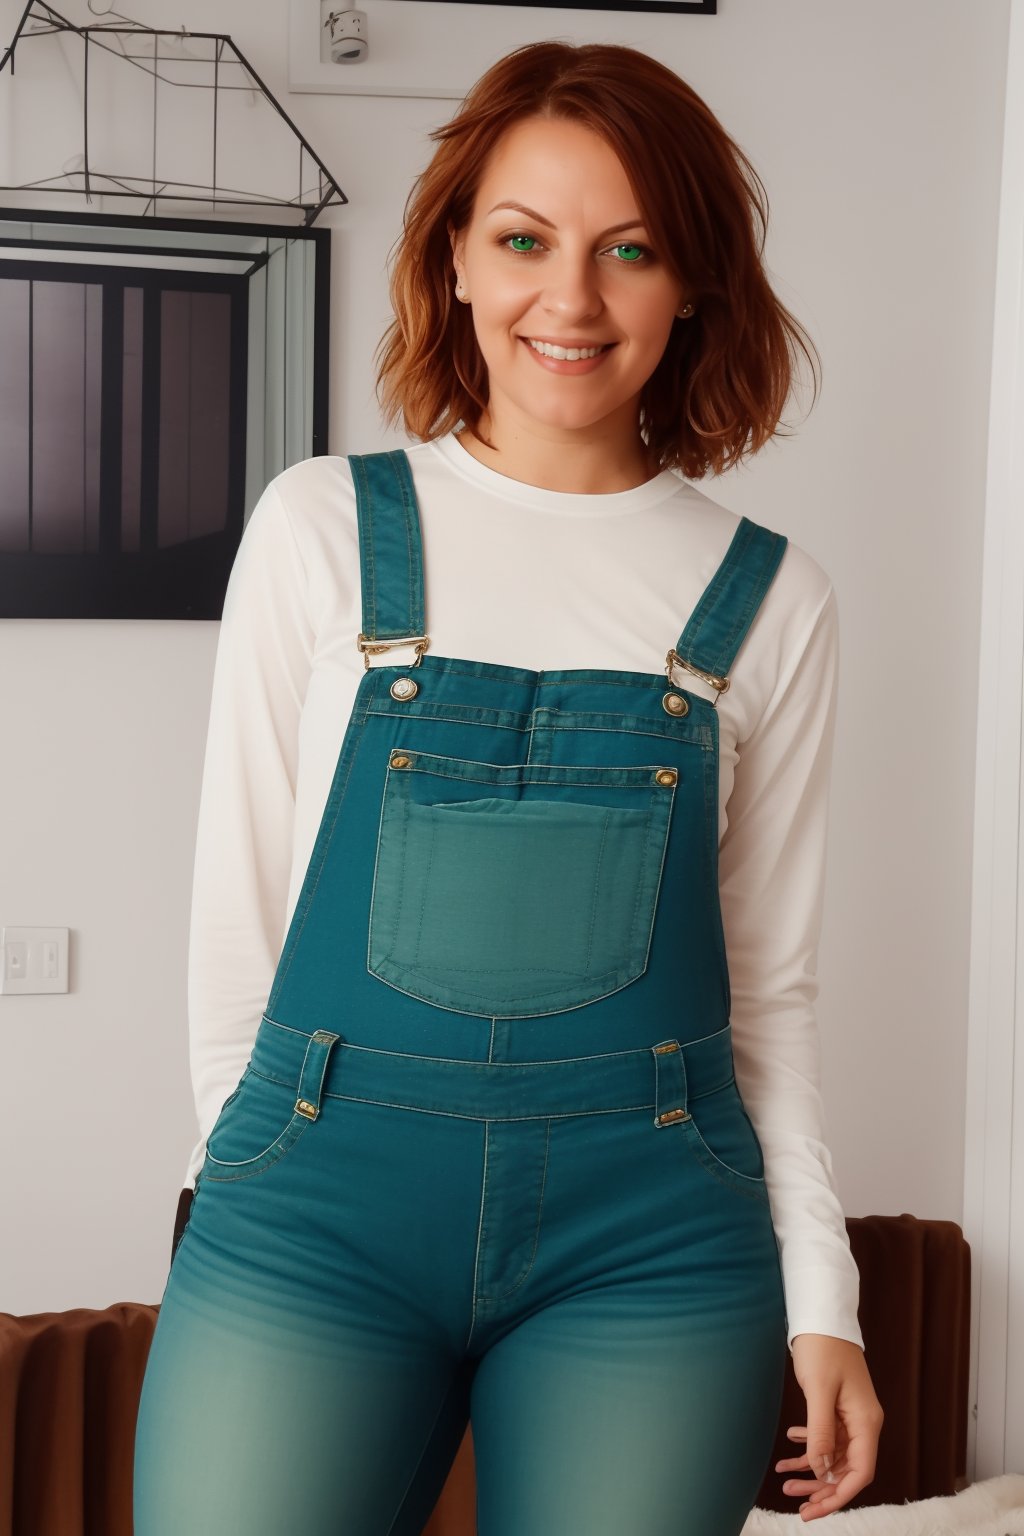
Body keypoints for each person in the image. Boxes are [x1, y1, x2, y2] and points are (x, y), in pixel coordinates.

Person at [133, 39, 883, 1536]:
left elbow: (770, 996)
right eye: (524, 241)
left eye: (632, 250)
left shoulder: (772, 600)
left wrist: (830, 1298)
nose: (573, 300)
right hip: (316, 1217)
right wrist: (250, 1171)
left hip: (652, 1247)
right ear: (457, 262)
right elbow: (243, 914)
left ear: (693, 286)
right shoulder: (320, 530)